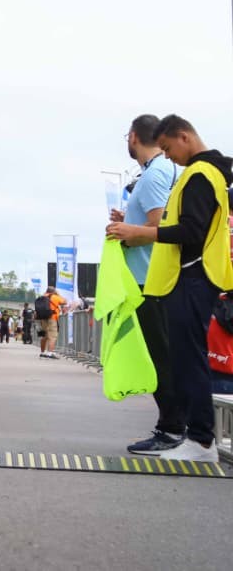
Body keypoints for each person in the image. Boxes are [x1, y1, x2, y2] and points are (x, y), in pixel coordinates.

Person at [107, 114, 233, 462]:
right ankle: (196, 437)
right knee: (186, 357)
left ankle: (200, 440)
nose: (168, 157)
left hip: (192, 277)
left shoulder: (200, 174)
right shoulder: (205, 173)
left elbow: (191, 231)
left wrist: (139, 232)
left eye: (168, 148)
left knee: (188, 359)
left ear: (184, 137)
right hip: (194, 277)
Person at [107, 114, 183, 454]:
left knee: (159, 357)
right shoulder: (161, 171)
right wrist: (130, 221)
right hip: (155, 278)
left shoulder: (152, 175)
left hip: (150, 281)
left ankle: (171, 429)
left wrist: (128, 233)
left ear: (134, 137)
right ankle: (173, 425)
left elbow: (160, 229)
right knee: (162, 355)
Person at [35, 285, 65, 358]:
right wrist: (58, 294)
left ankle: (42, 352)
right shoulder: (55, 297)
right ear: (53, 291)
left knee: (44, 336)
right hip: (52, 318)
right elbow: (65, 302)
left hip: (42, 318)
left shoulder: (42, 297)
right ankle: (50, 353)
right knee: (52, 336)